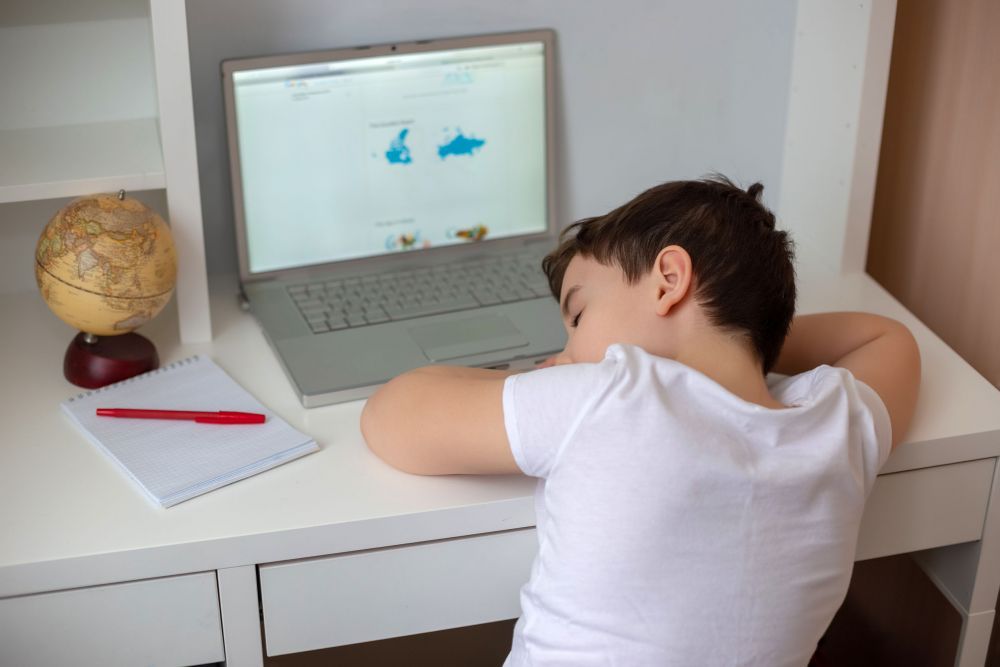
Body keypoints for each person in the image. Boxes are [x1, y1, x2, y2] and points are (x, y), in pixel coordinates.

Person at [361, 176, 921, 666]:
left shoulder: (614, 394)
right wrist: (742, 335)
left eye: (577, 316)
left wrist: (557, 381)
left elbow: (391, 415)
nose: (567, 350)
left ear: (669, 280)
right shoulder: (835, 427)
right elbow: (885, 337)